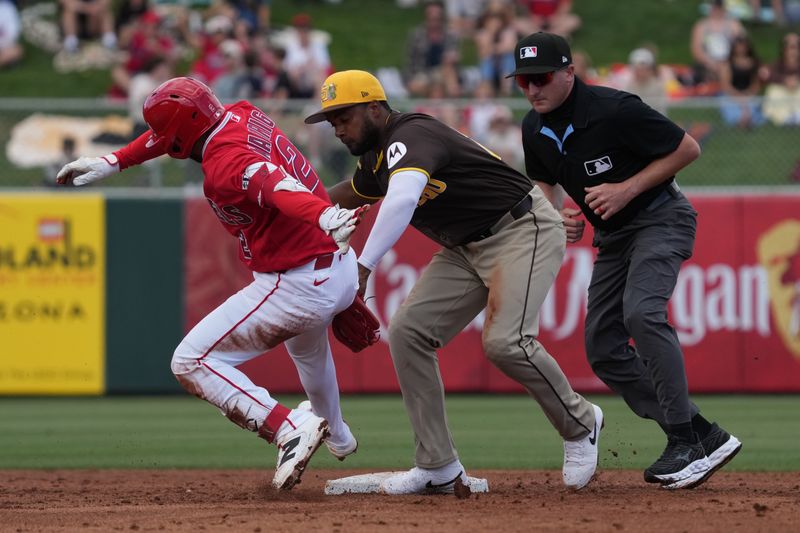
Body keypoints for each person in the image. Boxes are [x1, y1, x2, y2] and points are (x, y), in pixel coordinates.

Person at [55, 77, 368, 490]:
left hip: (301, 279)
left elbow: (273, 184)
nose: (160, 139)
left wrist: (323, 215)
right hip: (336, 266)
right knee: (309, 356)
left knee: (190, 361)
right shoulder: (239, 113)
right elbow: (167, 138)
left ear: (182, 133)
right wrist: (115, 161)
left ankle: (287, 427)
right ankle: (340, 436)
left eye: (164, 131)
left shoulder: (223, 165)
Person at [305, 69, 604, 494]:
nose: (337, 128)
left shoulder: (411, 134)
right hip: (466, 248)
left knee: (506, 341)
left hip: (522, 227)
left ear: (375, 108)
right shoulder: (374, 161)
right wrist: (287, 199)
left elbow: (405, 198)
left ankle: (581, 423)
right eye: (331, 121)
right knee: (409, 332)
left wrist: (363, 264)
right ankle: (438, 467)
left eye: (344, 116)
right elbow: (347, 194)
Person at [510, 31, 743, 490]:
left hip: (662, 217)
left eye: (541, 77)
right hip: (614, 238)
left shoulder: (614, 109)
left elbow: (687, 149)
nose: (533, 89)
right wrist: (558, 216)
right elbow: (543, 187)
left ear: (569, 73)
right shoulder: (533, 130)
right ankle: (699, 434)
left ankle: (682, 437)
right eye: (523, 81)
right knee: (603, 348)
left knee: (642, 312)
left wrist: (626, 187)